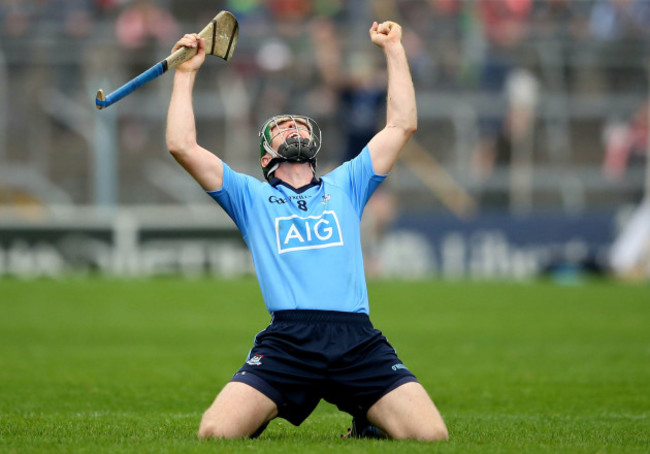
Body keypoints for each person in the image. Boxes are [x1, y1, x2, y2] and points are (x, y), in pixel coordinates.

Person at [165, 20, 448, 442]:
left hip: (356, 339)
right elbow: (182, 146)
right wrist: (186, 76)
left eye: (297, 125)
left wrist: (394, 49)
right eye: (280, 128)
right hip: (289, 341)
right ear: (266, 157)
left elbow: (401, 124)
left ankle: (368, 420)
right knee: (215, 433)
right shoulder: (250, 196)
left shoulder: (347, 183)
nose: (292, 129)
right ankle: (270, 404)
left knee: (431, 436)